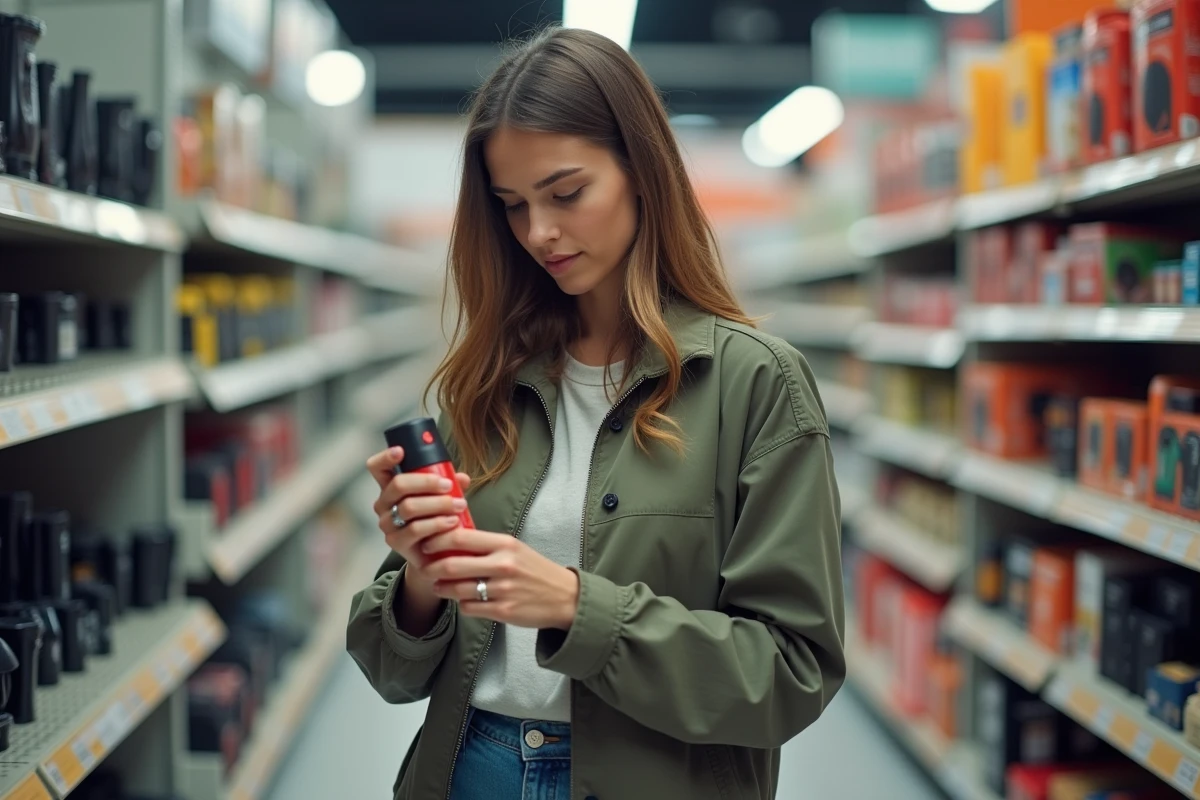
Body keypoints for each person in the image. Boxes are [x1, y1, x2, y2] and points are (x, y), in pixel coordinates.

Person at [348, 25, 845, 800]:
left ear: (641, 171)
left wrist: (578, 607)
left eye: (566, 192)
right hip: (469, 766)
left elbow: (791, 674)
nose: (538, 232)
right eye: (512, 205)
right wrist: (420, 571)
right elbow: (392, 670)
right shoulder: (489, 380)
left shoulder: (757, 384)